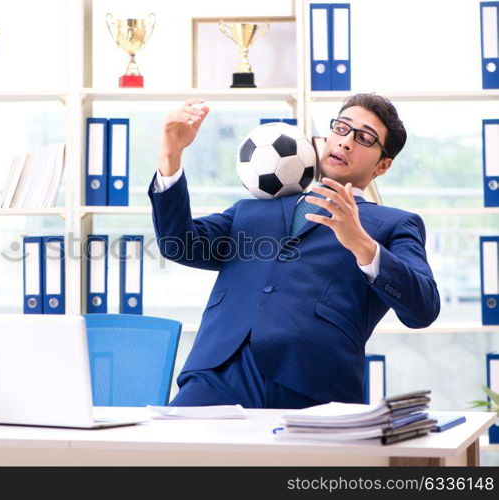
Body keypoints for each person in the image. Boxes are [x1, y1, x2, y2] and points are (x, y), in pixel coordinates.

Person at [147, 93, 440, 409]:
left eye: (364, 138)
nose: (345, 142)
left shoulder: (393, 224)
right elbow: (178, 243)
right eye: (341, 128)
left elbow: (422, 308)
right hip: (218, 375)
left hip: (314, 384)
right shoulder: (251, 211)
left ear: (383, 165)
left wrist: (362, 244)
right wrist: (171, 154)